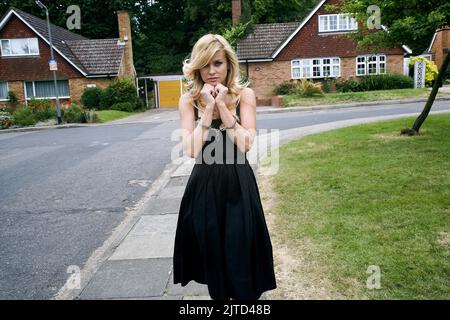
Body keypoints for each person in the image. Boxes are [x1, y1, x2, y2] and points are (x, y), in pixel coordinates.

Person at [173, 34, 276, 300]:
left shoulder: (246, 95)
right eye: (205, 65)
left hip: (238, 182)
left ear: (228, 64)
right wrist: (207, 110)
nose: (211, 71)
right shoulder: (188, 100)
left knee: (241, 250)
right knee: (213, 254)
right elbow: (193, 149)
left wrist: (223, 106)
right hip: (204, 185)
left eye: (217, 63)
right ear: (197, 68)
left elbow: (245, 144)